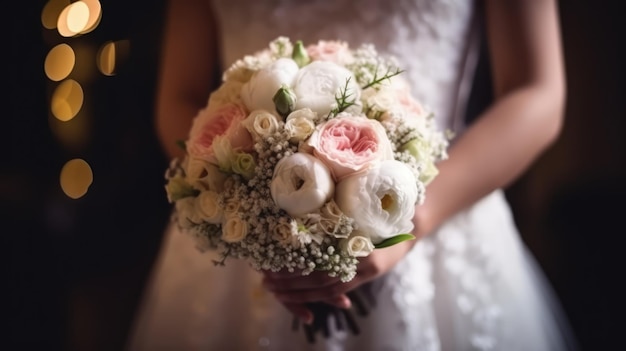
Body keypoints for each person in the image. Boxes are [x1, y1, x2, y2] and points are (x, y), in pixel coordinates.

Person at [127, 0, 578, 350]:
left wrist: (407, 224)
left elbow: (538, 93)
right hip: (241, 247)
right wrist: (248, 213)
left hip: (440, 214)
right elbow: (179, 98)